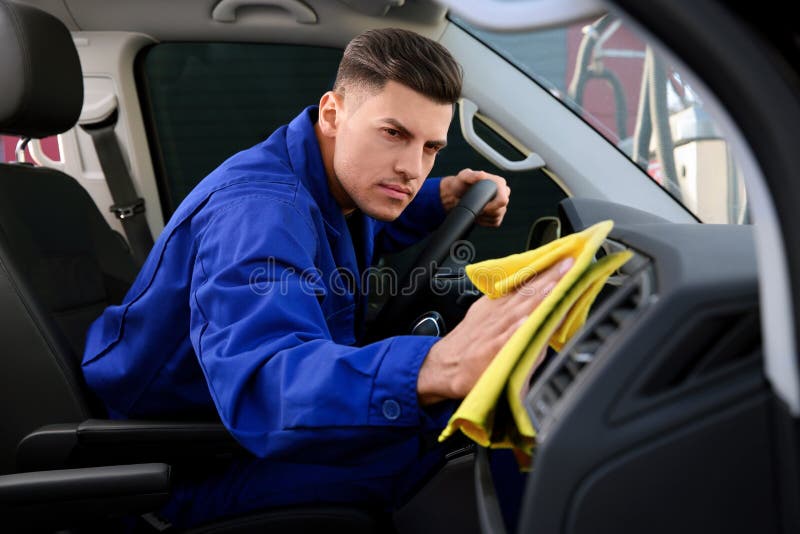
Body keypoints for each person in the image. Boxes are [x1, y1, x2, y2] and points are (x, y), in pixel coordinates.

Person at [82, 28, 568, 527]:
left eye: (430, 148)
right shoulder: (259, 214)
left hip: (223, 433)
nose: (411, 168)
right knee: (454, 437)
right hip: (182, 464)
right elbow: (265, 383)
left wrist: (443, 197)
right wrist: (436, 366)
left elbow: (354, 224)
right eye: (394, 133)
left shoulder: (329, 179)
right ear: (334, 113)